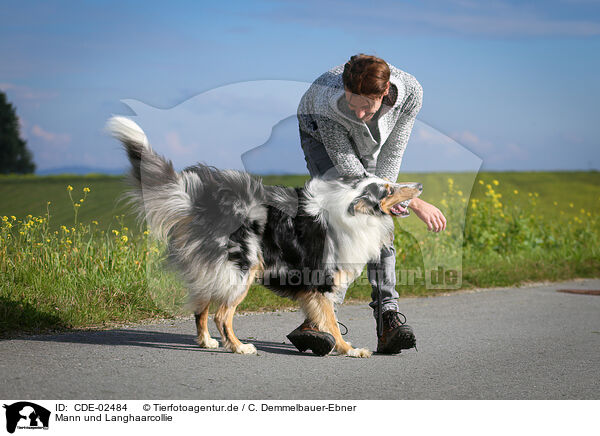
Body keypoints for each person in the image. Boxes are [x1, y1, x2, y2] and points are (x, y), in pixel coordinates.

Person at [287, 54, 446, 355]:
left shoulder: (411, 92)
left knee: (379, 221)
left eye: (366, 106)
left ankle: (388, 319)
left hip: (374, 144)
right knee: (349, 219)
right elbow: (354, 179)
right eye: (352, 104)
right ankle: (319, 320)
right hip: (320, 134)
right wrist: (411, 200)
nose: (359, 113)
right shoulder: (326, 103)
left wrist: (394, 196)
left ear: (384, 94)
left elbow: (393, 153)